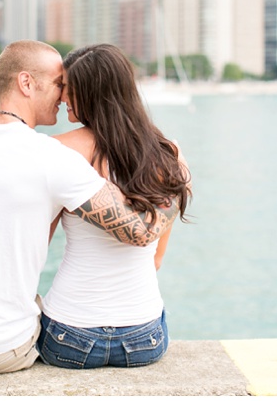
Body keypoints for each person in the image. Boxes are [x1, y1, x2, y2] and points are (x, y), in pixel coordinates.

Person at [0, 40, 178, 375]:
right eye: (58, 85)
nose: (63, 96)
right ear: (26, 83)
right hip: (8, 352)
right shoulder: (54, 158)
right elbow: (141, 234)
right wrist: (179, 188)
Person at [39, 43, 192, 369]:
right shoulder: (169, 153)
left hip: (69, 333)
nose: (62, 97)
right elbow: (157, 259)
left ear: (92, 93)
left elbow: (35, 249)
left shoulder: (57, 151)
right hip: (144, 336)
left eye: (68, 88)